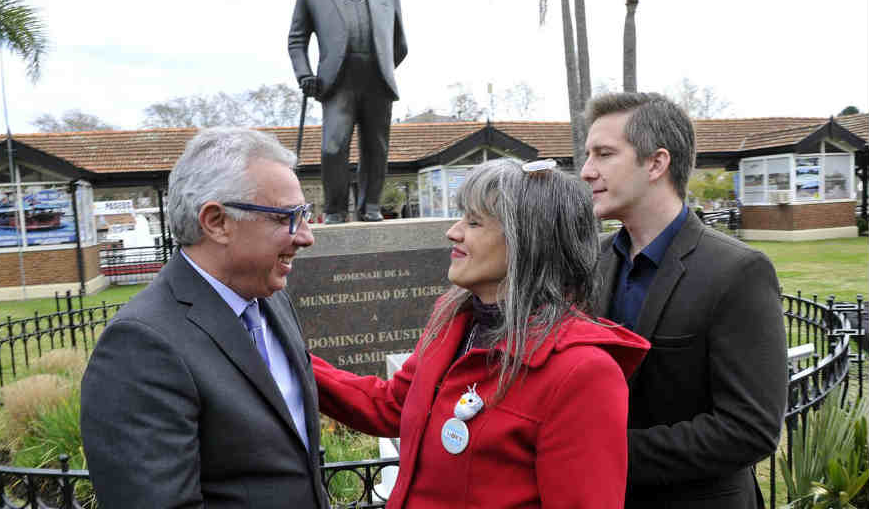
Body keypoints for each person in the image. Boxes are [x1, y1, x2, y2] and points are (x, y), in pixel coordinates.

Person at [312, 158, 650, 508]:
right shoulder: (454, 322)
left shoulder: (582, 372)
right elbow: (392, 404)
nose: (453, 232)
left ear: (528, 241)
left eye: (474, 222)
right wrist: (284, 358)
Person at [80, 128, 328, 509]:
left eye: (305, 215)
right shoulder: (141, 346)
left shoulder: (272, 301)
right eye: (288, 218)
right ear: (216, 222)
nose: (307, 236)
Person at [580, 92, 787, 509]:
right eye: (588, 155)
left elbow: (750, 428)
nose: (586, 171)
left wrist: (604, 453)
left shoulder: (738, 272)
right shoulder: (590, 262)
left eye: (604, 154)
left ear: (656, 163)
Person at [288, 0, 407, 224]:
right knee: (332, 147)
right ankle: (335, 210)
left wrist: (381, 66)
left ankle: (370, 206)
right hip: (337, 83)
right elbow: (297, 39)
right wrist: (305, 75)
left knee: (376, 148)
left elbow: (400, 43)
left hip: (377, 80)